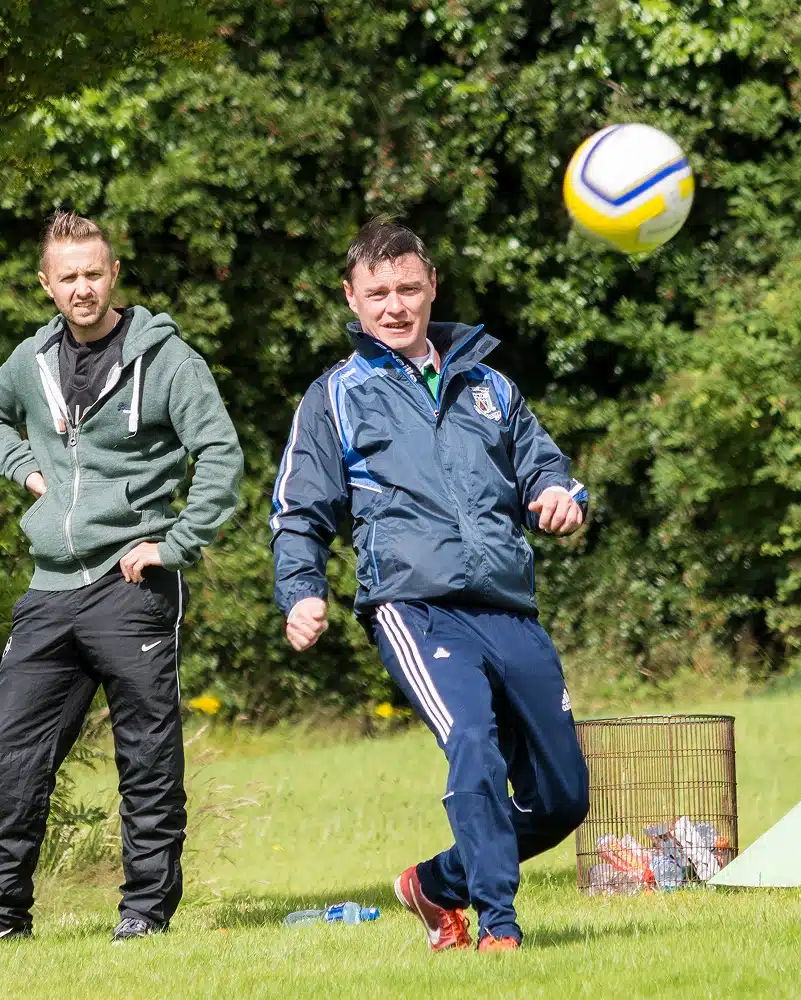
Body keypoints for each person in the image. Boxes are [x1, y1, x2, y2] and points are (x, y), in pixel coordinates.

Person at [270, 221, 590, 952]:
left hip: (507, 604)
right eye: (377, 292)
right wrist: (302, 591)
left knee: (564, 797)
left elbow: (546, 466)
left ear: (432, 287)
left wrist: (561, 497)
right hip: (413, 607)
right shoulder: (336, 396)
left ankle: (435, 884)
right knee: (472, 746)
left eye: (408, 288)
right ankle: (495, 927)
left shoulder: (490, 384)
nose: (394, 305)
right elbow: (298, 509)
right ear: (351, 298)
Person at [0, 212, 243, 942]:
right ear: (47, 283)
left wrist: (175, 544)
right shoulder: (28, 362)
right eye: (68, 276)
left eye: (94, 273)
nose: (82, 288)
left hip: (129, 586)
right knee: (10, 755)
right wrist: (23, 468)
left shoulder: (166, 360)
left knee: (145, 757)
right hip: (48, 588)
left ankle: (143, 913)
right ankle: (6, 915)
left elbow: (221, 457)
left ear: (114, 273)